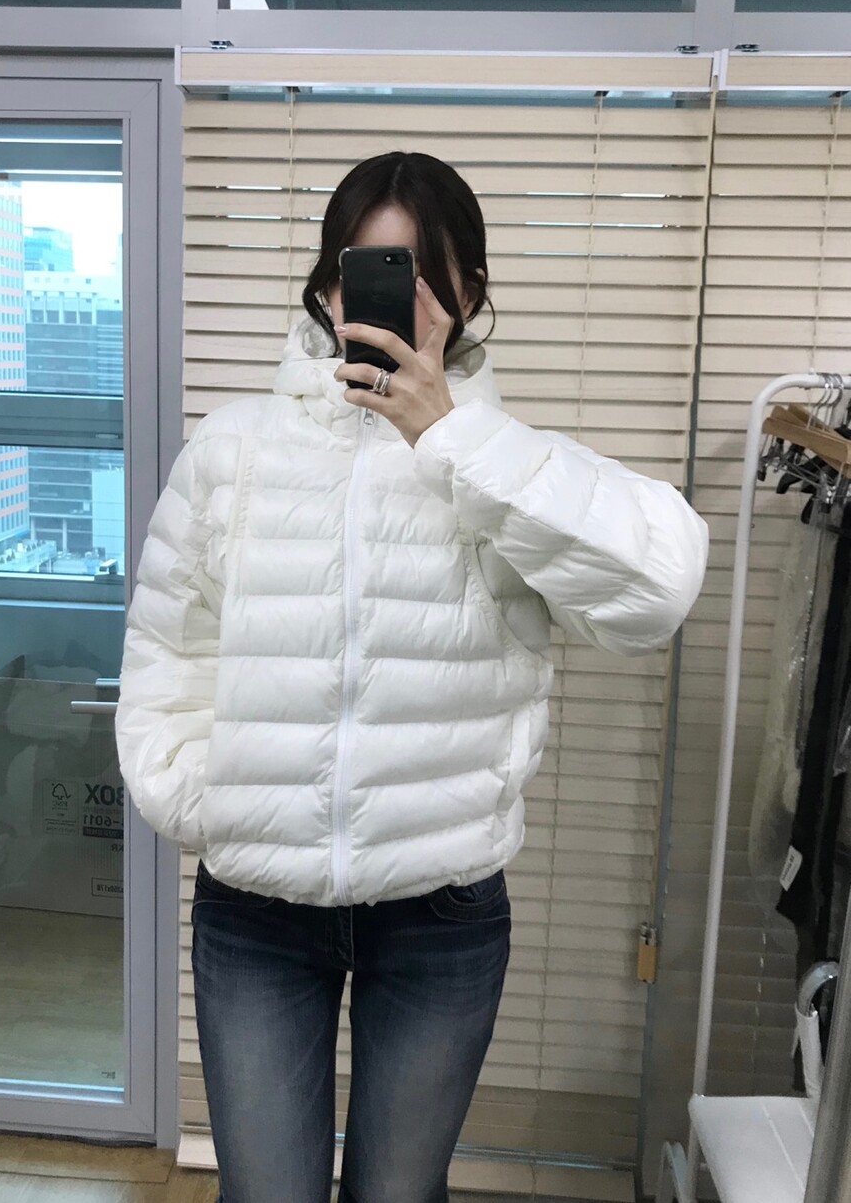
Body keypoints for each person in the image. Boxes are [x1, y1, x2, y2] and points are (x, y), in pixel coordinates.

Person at [114, 151, 709, 1203]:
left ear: (468, 291)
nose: (392, 301)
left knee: (398, 1191)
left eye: (422, 275)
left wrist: (453, 436)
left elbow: (655, 589)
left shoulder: (503, 467)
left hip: (441, 910)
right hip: (257, 911)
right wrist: (208, 805)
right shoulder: (233, 449)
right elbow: (169, 648)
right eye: (369, 270)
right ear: (328, 283)